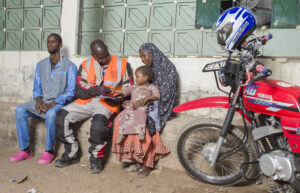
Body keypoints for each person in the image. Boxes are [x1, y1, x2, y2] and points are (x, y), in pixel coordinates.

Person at [55, 39, 133, 174]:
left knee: (98, 125)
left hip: (108, 103)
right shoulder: (86, 64)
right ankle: (71, 153)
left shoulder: (123, 64)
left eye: (106, 55)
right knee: (61, 117)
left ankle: (96, 159)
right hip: (87, 100)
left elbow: (130, 88)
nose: (105, 59)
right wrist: (96, 90)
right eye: (100, 58)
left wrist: (121, 100)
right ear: (93, 55)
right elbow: (79, 90)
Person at [112, 42, 178, 177]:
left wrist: (144, 104)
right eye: (141, 57)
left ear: (153, 53)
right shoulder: (146, 71)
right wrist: (128, 103)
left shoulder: (168, 70)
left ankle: (148, 163)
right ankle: (138, 160)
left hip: (159, 107)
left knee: (145, 124)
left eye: (145, 56)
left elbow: (163, 97)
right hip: (141, 105)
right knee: (121, 118)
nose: (143, 59)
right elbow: (135, 91)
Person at [10, 33, 77, 164]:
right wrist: (39, 101)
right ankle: (25, 150)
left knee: (51, 114)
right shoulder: (41, 64)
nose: (50, 44)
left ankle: (49, 151)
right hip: (43, 101)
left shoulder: (69, 66)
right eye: (48, 42)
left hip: (58, 103)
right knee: (20, 110)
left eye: (54, 42)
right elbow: (36, 87)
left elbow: (70, 92)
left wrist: (52, 104)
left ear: (60, 45)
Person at [112, 66, 160, 144]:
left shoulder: (151, 87)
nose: (136, 79)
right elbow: (125, 91)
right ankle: (122, 133)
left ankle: (141, 131)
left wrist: (148, 98)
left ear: (145, 77)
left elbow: (157, 96)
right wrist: (114, 90)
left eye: (137, 77)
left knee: (142, 113)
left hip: (142, 105)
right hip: (132, 105)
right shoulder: (134, 86)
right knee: (123, 114)